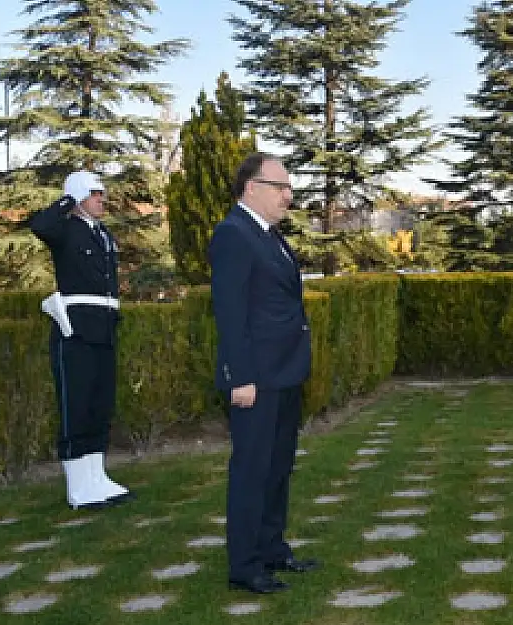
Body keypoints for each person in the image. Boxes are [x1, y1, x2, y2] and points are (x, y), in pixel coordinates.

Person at [209, 152, 317, 594]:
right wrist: (240, 377)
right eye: (281, 187)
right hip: (256, 378)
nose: (288, 195)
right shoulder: (233, 235)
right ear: (252, 188)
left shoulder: (269, 236)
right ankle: (245, 564)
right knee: (252, 470)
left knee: (277, 467)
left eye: (289, 187)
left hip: (284, 373)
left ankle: (272, 548)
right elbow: (230, 314)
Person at [30, 171, 132, 510]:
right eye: (94, 194)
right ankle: (78, 486)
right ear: (78, 198)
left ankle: (96, 477)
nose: (102, 199)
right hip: (76, 329)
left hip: (103, 326)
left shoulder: (102, 234)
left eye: (102, 193)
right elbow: (40, 225)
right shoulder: (65, 230)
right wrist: (68, 201)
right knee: (76, 405)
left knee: (99, 404)